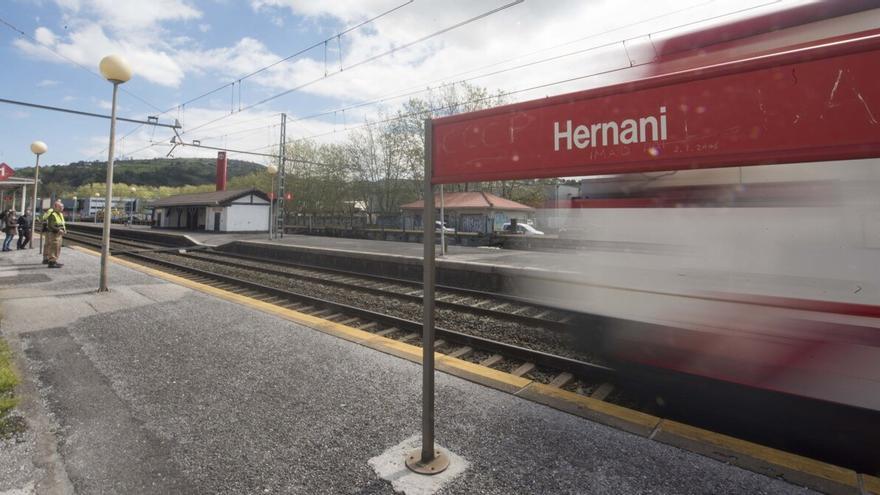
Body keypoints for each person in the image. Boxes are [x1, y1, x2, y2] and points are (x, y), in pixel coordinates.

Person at [41, 201, 66, 268]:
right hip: (54, 234)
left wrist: (64, 230)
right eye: (60, 207)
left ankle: (54, 260)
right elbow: (50, 225)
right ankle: (52, 262)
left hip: (58, 234)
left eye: (62, 207)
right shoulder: (53, 214)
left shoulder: (59, 214)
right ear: (55, 207)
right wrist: (58, 230)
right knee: (54, 247)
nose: (62, 208)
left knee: (57, 247)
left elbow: (61, 223)